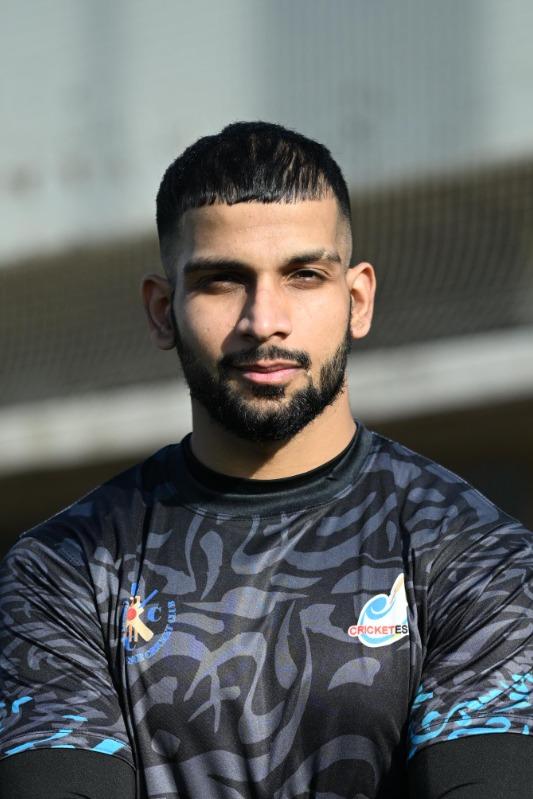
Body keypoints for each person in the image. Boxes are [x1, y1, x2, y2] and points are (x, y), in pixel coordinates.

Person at [0, 121, 532, 799]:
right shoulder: (64, 567)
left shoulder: (478, 556)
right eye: (222, 281)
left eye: (304, 275)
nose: (264, 320)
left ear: (357, 300)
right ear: (162, 311)